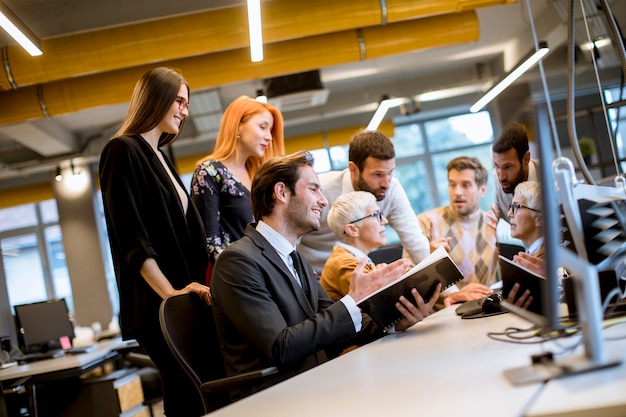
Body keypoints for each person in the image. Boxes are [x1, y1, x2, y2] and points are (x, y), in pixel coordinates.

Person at [211, 151, 440, 393]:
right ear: (281, 192)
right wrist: (352, 300)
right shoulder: (238, 261)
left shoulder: (294, 257)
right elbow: (282, 347)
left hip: (315, 382)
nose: (323, 200)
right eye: (313, 189)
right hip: (277, 396)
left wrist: (396, 321)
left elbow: (332, 322)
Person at [99, 67, 211, 417]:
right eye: (179, 100)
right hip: (161, 303)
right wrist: (172, 296)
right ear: (155, 98)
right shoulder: (121, 151)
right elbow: (133, 239)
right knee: (186, 390)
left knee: (197, 390)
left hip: (184, 297)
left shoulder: (160, 156)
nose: (185, 110)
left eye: (187, 103)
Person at [298, 130, 430, 274]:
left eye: (390, 172)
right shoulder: (319, 192)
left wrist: (448, 291)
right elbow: (290, 240)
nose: (386, 183)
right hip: (314, 277)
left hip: (360, 269)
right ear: (353, 169)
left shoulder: (392, 189)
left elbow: (416, 242)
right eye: (377, 174)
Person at [190, 96, 284, 283]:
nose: (269, 136)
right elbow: (211, 243)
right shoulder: (209, 172)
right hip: (237, 280)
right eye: (263, 127)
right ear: (238, 126)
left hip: (268, 275)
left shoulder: (259, 176)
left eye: (270, 130)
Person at [416, 156, 498, 307]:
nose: (457, 192)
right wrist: (430, 260)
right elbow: (410, 281)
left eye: (466, 185)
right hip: (443, 313)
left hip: (486, 308)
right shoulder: (426, 223)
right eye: (452, 185)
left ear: (482, 190)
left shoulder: (495, 225)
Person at [320, 191, 390, 301]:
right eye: (376, 215)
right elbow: (385, 303)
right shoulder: (344, 264)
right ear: (352, 230)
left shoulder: (348, 258)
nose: (385, 221)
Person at [492, 122, 540, 223]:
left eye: (508, 167)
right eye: (496, 166)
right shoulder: (497, 179)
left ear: (526, 159)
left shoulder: (547, 176)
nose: (501, 177)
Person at [509, 180, 545, 270]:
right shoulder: (533, 253)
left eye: (517, 207)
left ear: (540, 219)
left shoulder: (547, 261)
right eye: (511, 207)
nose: (509, 213)